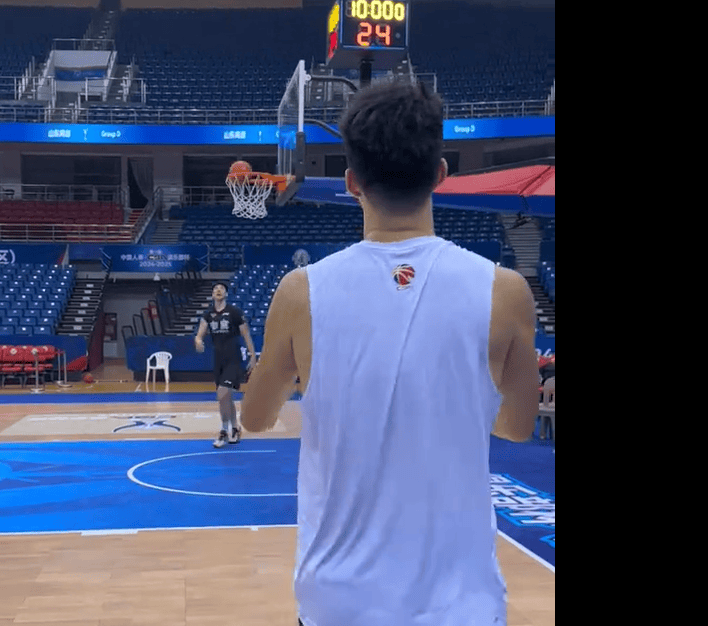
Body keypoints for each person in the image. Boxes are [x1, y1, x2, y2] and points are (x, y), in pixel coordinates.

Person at [241, 80, 540, 626]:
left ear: (351, 182)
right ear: (441, 174)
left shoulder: (300, 293)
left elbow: (255, 418)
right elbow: (519, 427)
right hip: (462, 605)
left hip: (338, 602)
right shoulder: (507, 292)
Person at [195, 281, 257, 448]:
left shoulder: (234, 312)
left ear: (226, 294)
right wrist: (198, 341)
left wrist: (252, 356)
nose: (218, 290)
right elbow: (200, 334)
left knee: (222, 394)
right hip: (218, 360)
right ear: (212, 294)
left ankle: (223, 431)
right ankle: (235, 428)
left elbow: (246, 334)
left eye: (221, 288)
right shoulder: (208, 315)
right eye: (215, 288)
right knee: (226, 397)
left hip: (233, 359)